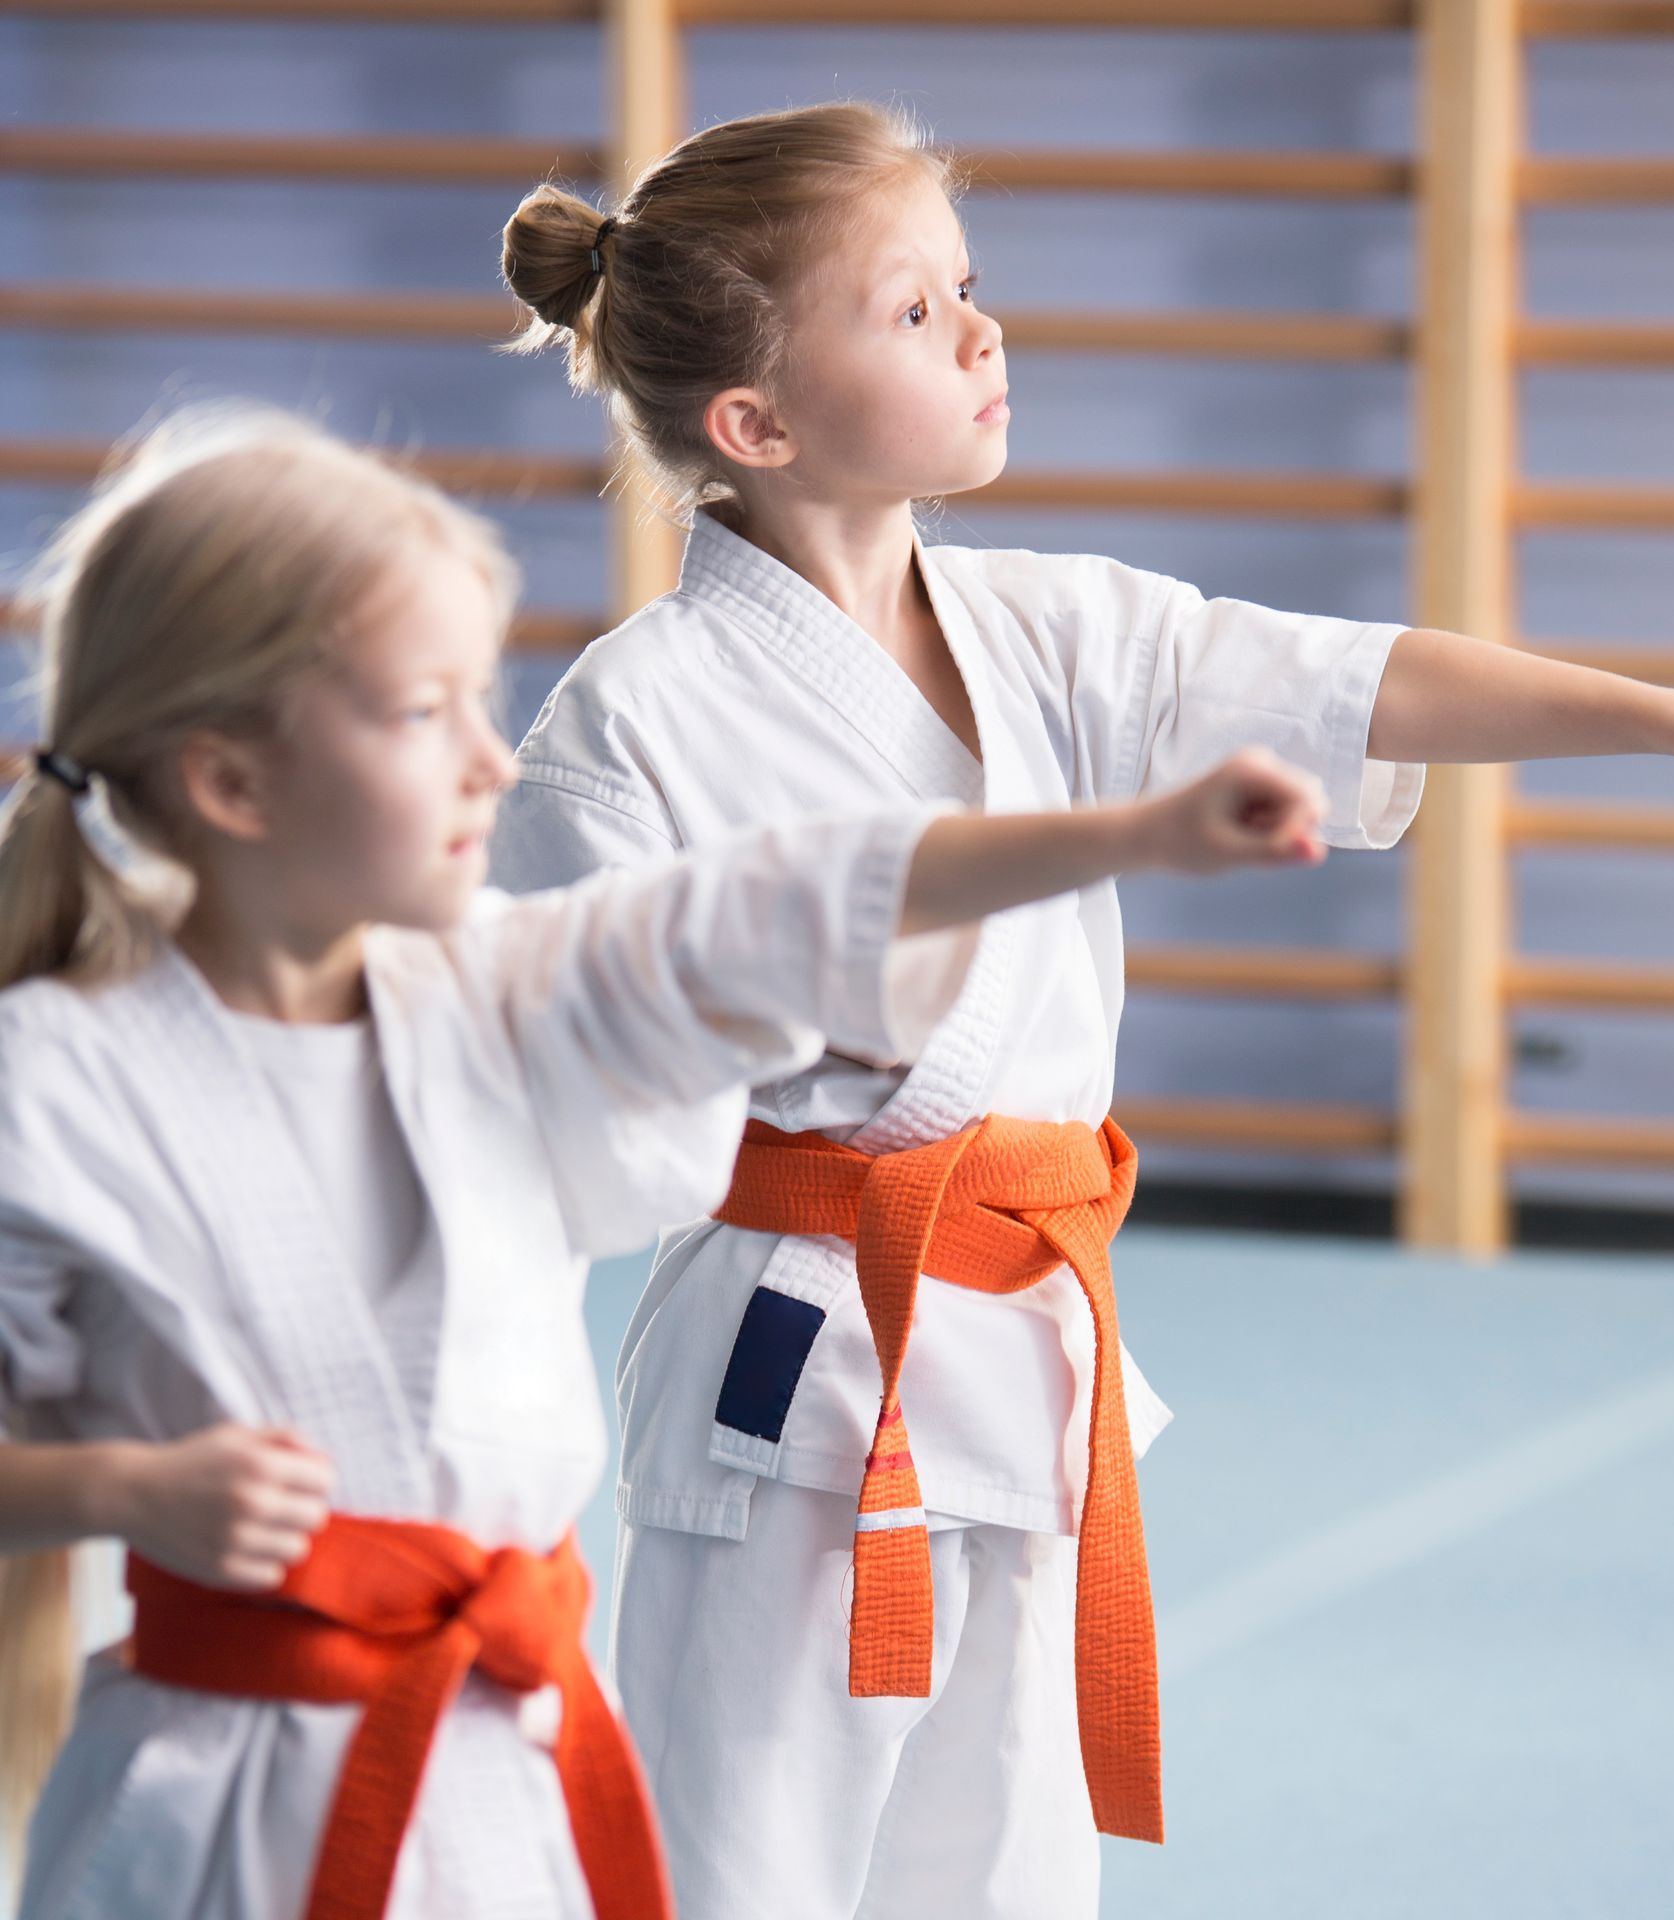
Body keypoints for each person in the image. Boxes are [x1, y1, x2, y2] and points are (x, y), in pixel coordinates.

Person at [494, 102, 1674, 1919]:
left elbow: (1359, 682)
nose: (982, 335)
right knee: (746, 1870)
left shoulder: (1050, 630)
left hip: (1031, 1353)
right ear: (754, 424)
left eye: (966, 291)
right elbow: (557, 1078)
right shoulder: (632, 724)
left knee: (1001, 1875)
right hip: (797, 1378)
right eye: (909, 315)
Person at [0, 402, 1334, 1920]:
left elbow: (775, 901)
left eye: (478, 702)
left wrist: (1126, 836)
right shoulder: (52, 1089)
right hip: (212, 1799)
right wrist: (126, 1486)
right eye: (421, 713)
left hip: (496, 1785)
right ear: (230, 783)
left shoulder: (500, 991)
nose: (492, 767)